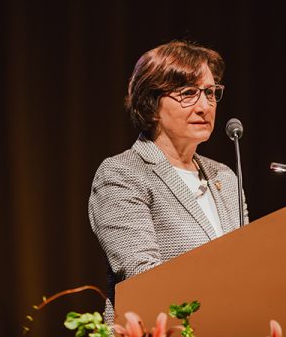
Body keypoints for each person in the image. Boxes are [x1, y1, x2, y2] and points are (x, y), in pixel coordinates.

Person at [88, 40, 248, 322]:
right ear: (151, 104)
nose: (204, 106)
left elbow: (249, 260)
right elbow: (142, 273)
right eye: (188, 93)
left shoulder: (224, 175)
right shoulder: (123, 173)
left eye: (210, 93)